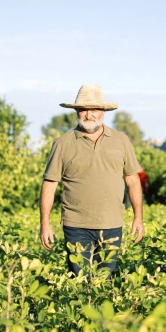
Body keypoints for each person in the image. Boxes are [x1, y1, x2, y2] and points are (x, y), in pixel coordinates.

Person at [39, 84, 145, 277]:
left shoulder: (121, 141)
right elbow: (49, 184)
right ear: (76, 112)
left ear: (103, 111)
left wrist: (138, 218)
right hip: (76, 225)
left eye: (94, 109)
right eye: (83, 110)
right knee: (81, 281)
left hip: (112, 224)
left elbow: (133, 180)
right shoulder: (62, 143)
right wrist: (44, 223)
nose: (89, 114)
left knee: (104, 282)